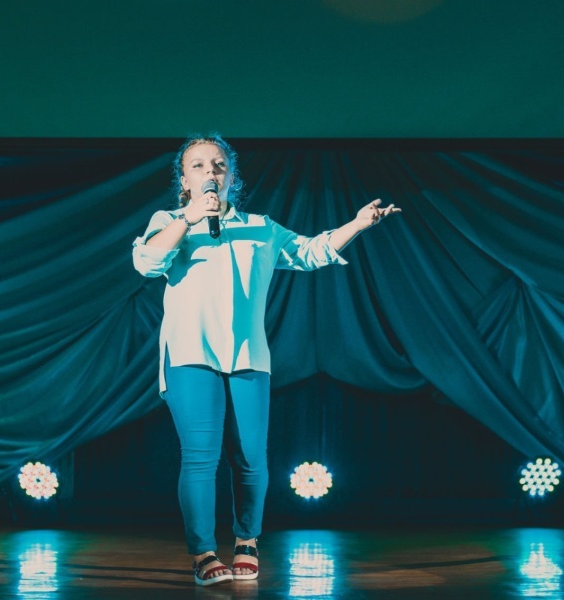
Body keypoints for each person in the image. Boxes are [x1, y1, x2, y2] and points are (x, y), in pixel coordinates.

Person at [132, 134, 400, 586]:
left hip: (248, 355)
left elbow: (310, 252)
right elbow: (147, 261)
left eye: (219, 164)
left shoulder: (261, 227)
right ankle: (203, 553)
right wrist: (191, 217)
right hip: (190, 353)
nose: (210, 172)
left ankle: (247, 541)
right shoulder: (170, 222)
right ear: (184, 180)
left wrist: (356, 224)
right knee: (200, 457)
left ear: (231, 176)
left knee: (251, 457)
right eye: (198, 165)